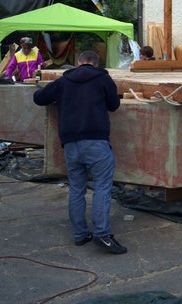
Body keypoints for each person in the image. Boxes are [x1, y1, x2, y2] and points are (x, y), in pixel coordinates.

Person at [32, 50, 127, 254]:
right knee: (102, 187)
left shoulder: (63, 81)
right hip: (96, 142)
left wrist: (61, 100)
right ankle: (102, 234)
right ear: (96, 63)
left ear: (79, 62)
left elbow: (38, 98)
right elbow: (114, 105)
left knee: (77, 189)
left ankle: (80, 234)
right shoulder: (103, 78)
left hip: (71, 144)